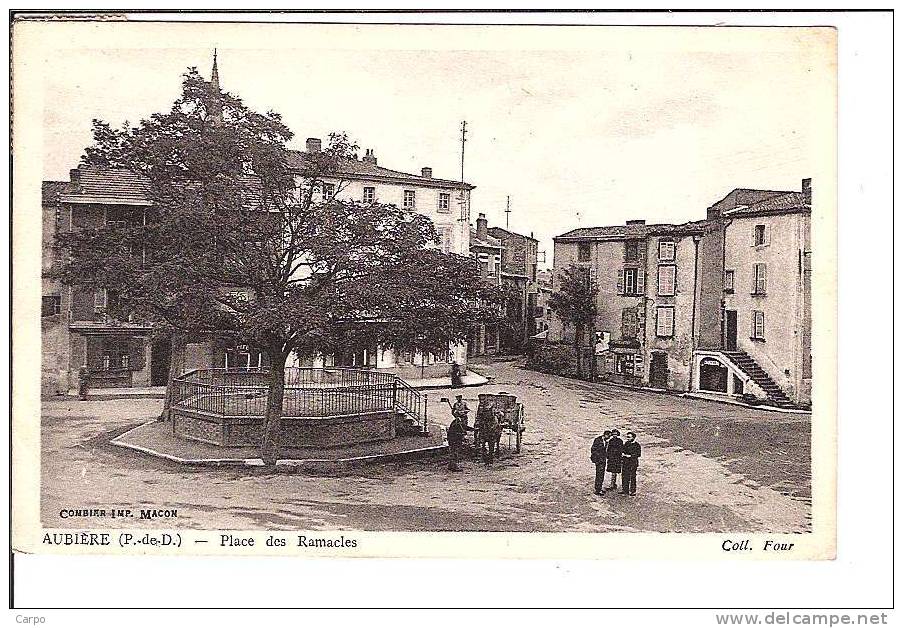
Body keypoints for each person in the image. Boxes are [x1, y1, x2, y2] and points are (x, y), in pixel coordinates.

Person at [590, 430, 611, 495]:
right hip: (599, 460)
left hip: (603, 460)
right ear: (605, 435)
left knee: (601, 475)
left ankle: (599, 488)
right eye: (609, 436)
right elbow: (593, 449)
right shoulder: (597, 440)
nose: (609, 438)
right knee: (599, 474)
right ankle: (597, 490)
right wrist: (598, 458)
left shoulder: (606, 441)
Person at [620, 431, 641, 496]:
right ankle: (625, 490)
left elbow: (638, 454)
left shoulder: (637, 445)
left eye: (629, 437)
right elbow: (623, 450)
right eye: (627, 437)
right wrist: (623, 454)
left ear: (633, 438)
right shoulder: (626, 443)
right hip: (625, 463)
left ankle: (632, 491)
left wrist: (630, 456)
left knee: (632, 477)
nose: (627, 438)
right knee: (624, 476)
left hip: (633, 463)